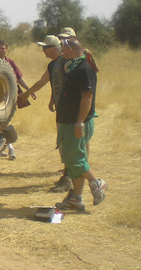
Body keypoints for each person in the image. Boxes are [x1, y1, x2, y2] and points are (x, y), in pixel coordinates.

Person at [54, 38, 107, 211]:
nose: (61, 52)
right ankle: (76, 198)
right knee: (73, 160)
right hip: (69, 122)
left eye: (63, 49)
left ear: (70, 51)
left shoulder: (84, 69)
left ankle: (96, 182)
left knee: (74, 158)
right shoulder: (73, 67)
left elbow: (87, 97)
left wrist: (79, 123)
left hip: (75, 123)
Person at [17, 35, 71, 192]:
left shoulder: (65, 62)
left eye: (45, 48)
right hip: (61, 107)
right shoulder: (52, 65)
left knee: (67, 142)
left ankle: (69, 178)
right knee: (62, 141)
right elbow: (43, 82)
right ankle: (68, 175)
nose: (43, 51)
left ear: (55, 48)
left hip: (69, 108)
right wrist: (30, 94)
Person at [0, 39, 34, 159]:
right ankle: (8, 148)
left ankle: (2, 147)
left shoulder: (10, 63)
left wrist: (29, 90)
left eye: (2, 48)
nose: (0, 50)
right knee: (1, 121)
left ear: (7, 49)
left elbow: (19, 78)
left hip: (10, 97)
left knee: (4, 121)